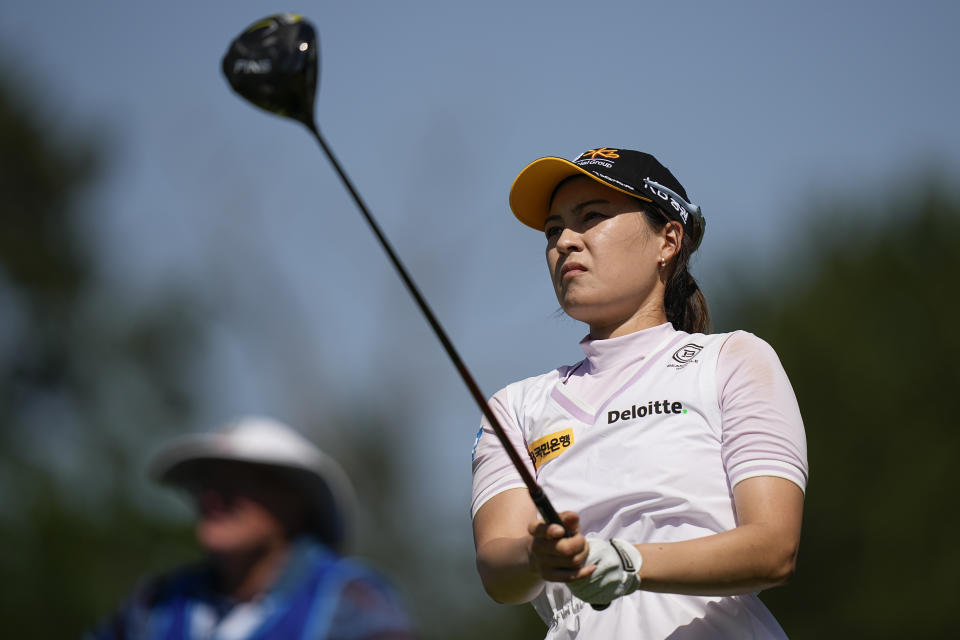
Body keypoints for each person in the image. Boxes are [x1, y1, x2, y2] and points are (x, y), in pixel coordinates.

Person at [471, 147, 807, 639]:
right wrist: (536, 554)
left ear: (668, 241)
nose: (565, 241)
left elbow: (774, 549)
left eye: (592, 217)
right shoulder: (516, 407)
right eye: (553, 230)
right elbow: (499, 573)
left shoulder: (733, 360)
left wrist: (628, 562)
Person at [88, 415, 417, 640]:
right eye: (206, 485)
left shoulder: (348, 602)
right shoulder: (156, 603)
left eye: (237, 487)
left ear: (296, 503)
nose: (214, 499)